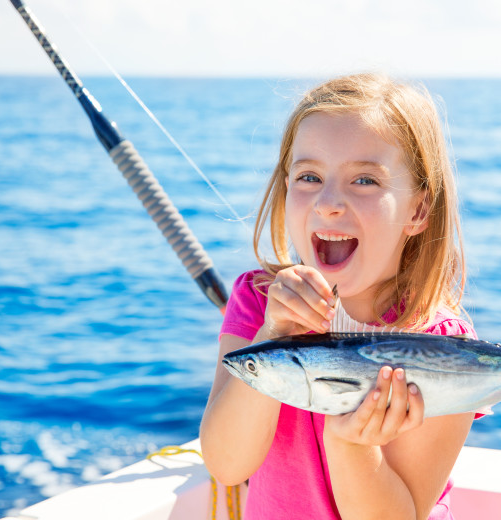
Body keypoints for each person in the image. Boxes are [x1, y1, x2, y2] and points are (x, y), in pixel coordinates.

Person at [200, 73, 477, 520]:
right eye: (309, 176)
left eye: (365, 181)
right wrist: (273, 336)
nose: (328, 202)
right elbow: (226, 464)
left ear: (418, 211)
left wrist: (349, 445)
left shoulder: (444, 346)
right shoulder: (256, 303)